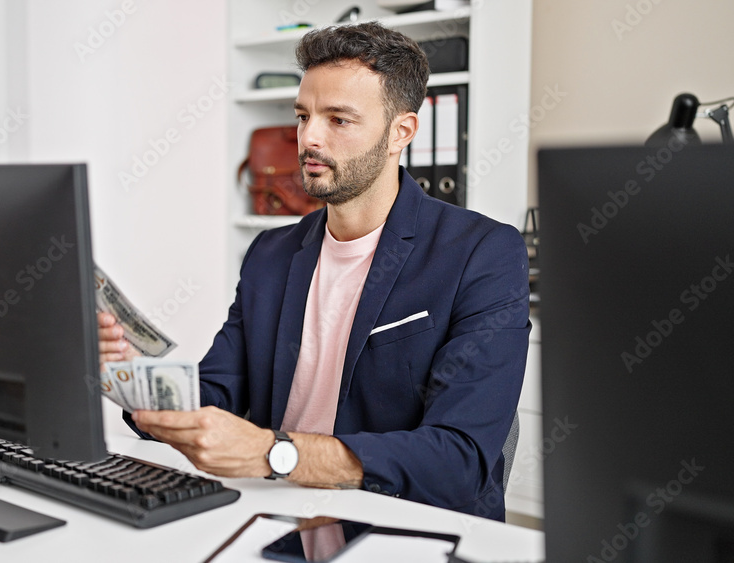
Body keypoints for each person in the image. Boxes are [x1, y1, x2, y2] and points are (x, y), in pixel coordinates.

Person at [98, 22, 530, 521]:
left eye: (339, 119)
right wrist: (131, 376)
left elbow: (461, 458)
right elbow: (216, 392)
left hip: (397, 525)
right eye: (303, 115)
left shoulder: (482, 253)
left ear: (402, 132)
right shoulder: (271, 252)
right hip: (273, 515)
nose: (310, 137)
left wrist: (275, 453)